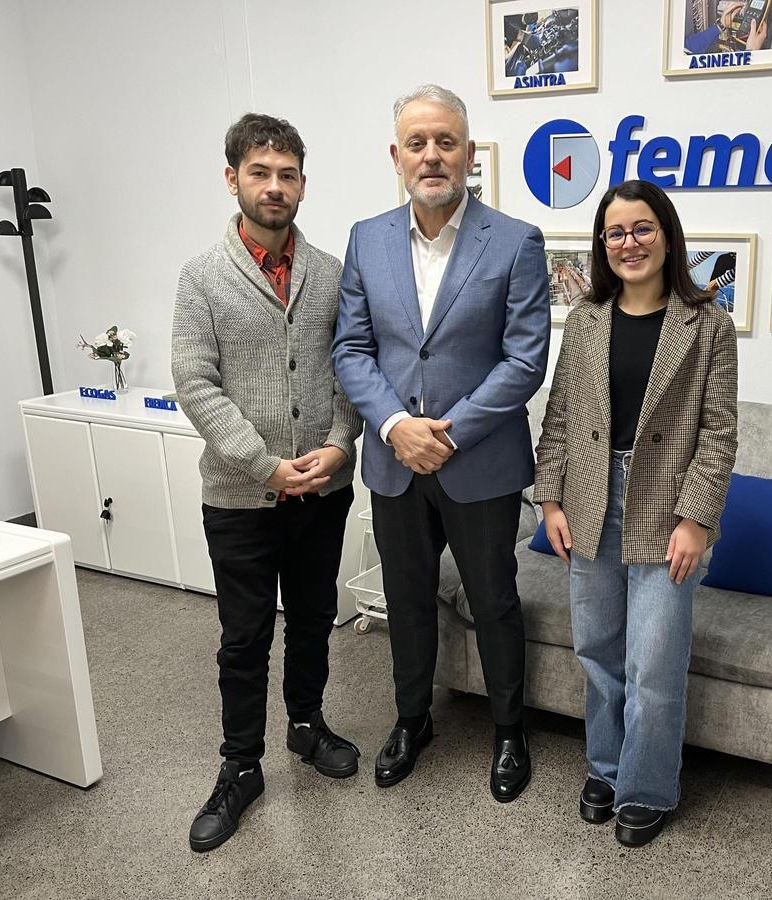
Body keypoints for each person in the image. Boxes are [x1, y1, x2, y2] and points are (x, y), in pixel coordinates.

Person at [332, 84, 550, 802]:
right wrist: (397, 426)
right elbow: (352, 350)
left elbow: (524, 360)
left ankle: (509, 730)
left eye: (446, 142)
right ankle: (411, 719)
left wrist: (445, 434)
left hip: (478, 461)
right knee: (407, 598)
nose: (432, 156)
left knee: (494, 600)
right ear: (396, 157)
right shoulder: (367, 239)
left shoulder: (515, 241)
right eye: (417, 144)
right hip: (394, 462)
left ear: (470, 153)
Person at [172, 113, 362, 852]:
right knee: (245, 637)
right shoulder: (201, 277)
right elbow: (195, 381)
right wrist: (264, 463)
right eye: (260, 173)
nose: (274, 187)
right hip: (240, 497)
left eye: (287, 175)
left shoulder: (331, 274)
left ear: (303, 185)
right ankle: (239, 766)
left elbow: (351, 367)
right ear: (233, 179)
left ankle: (307, 725)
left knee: (315, 616)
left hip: (322, 491)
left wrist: (340, 446)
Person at [533, 180, 738, 847]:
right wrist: (552, 497)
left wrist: (697, 518)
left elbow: (718, 431)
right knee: (597, 651)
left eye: (643, 228)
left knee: (654, 662)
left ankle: (646, 787)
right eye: (616, 232)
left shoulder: (707, 321)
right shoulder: (587, 317)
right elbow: (560, 414)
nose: (630, 243)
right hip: (590, 501)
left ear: (667, 235)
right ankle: (607, 766)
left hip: (665, 508)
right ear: (603, 244)